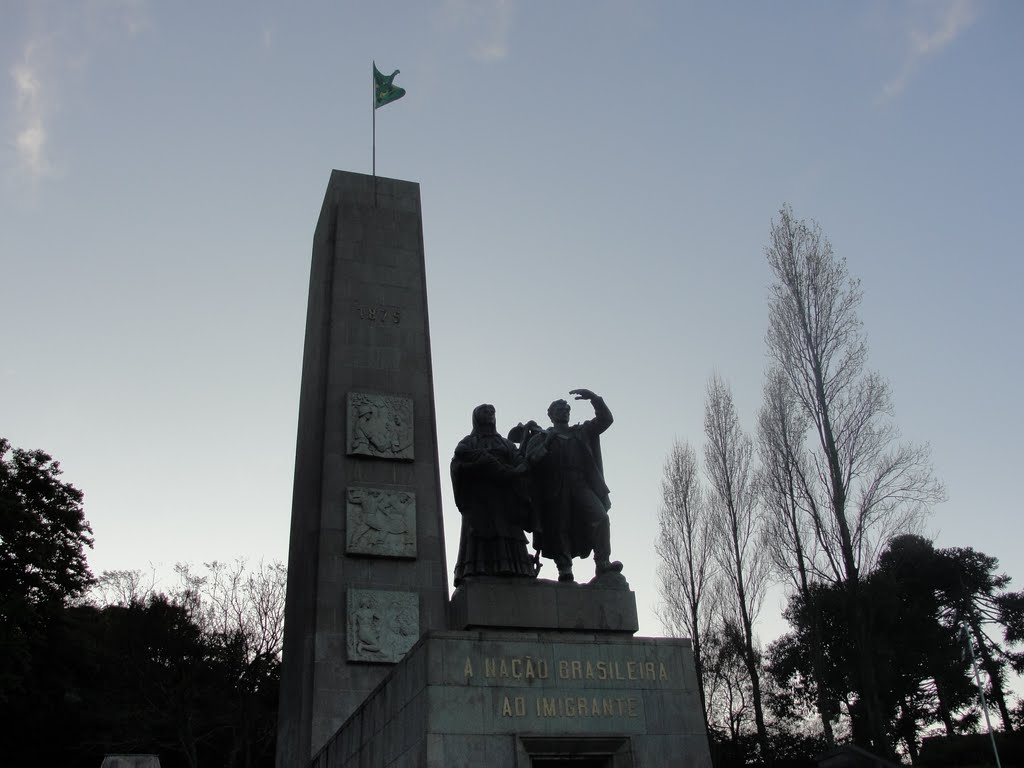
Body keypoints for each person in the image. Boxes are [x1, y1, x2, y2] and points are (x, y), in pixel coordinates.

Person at [519, 388, 623, 583]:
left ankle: (602, 563)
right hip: (554, 486)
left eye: (566, 408)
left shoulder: (581, 432)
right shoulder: (541, 437)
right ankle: (564, 568)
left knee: (600, 517)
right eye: (559, 408)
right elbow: (530, 461)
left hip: (580, 484)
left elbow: (605, 420)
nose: (564, 411)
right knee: (559, 527)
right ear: (550, 415)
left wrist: (594, 398)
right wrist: (547, 443)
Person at [451, 404, 536, 586]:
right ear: (476, 417)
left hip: (504, 496)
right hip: (479, 498)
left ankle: (514, 567)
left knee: (506, 530)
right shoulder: (468, 442)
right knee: (479, 532)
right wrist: (479, 465)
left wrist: (527, 448)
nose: (489, 414)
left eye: (491, 412)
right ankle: (477, 569)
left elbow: (519, 461)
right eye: (484, 412)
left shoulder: (505, 443)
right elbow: (458, 461)